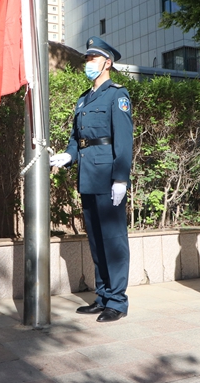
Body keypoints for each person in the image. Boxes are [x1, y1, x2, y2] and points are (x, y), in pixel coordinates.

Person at [50, 37, 133, 323]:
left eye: (93, 58)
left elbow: (123, 140)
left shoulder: (117, 95)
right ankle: (102, 296)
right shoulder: (84, 99)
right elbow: (78, 139)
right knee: (97, 240)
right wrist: (67, 155)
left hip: (108, 175)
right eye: (86, 59)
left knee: (113, 240)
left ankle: (117, 301)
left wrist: (120, 178)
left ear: (107, 62)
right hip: (87, 174)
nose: (88, 63)